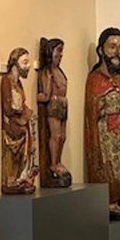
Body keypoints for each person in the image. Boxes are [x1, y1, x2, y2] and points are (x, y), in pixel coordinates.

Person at [85, 27, 120, 215]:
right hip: (105, 135)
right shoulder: (95, 79)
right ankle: (109, 200)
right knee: (109, 165)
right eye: (112, 46)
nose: (117, 52)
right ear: (101, 50)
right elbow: (92, 110)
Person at [0, 46, 37, 194]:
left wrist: (26, 112)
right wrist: (22, 113)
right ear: (15, 63)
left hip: (20, 126)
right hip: (12, 127)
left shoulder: (19, 83)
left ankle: (20, 179)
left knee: (23, 156)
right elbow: (8, 108)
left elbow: (21, 103)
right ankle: (11, 182)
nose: (28, 66)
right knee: (12, 156)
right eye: (25, 62)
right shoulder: (6, 81)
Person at [36, 37, 71, 187]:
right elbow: (45, 94)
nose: (61, 55)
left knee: (63, 136)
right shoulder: (48, 72)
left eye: (62, 52)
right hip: (54, 103)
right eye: (58, 51)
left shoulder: (59, 71)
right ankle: (53, 163)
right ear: (50, 52)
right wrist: (44, 97)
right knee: (56, 136)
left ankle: (59, 161)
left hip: (62, 104)